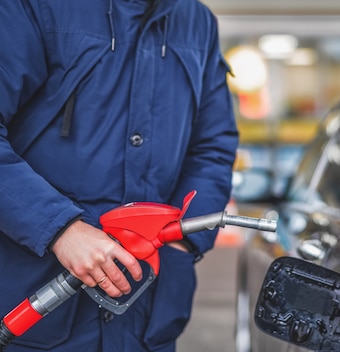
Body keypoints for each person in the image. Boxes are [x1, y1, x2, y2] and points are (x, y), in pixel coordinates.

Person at [0, 0, 238, 351]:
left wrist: (180, 237)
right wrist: (59, 229)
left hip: (145, 314)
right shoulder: (32, 6)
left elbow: (212, 148)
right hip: (37, 304)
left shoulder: (196, 21)